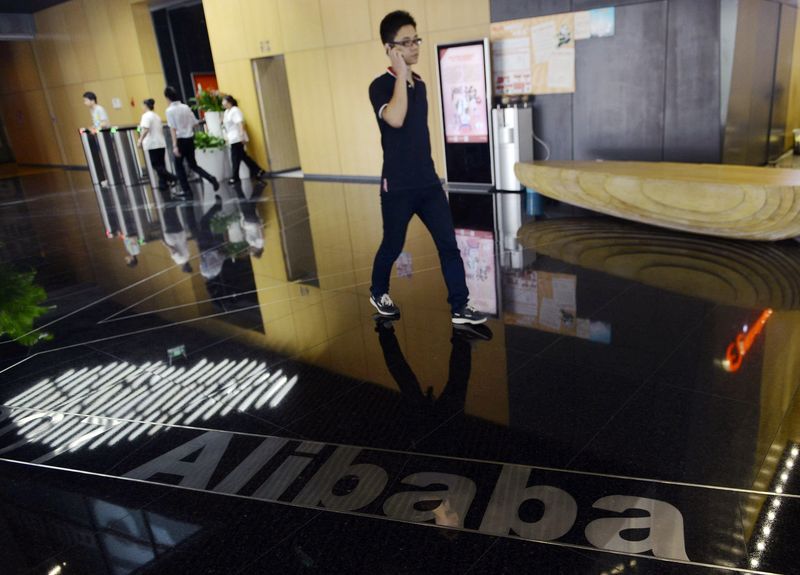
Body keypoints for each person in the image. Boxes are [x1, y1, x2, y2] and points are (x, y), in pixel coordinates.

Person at [368, 10, 486, 325]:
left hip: (428, 183)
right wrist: (400, 73)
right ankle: (378, 291)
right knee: (392, 245)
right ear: (390, 48)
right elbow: (395, 118)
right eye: (405, 43)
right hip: (397, 186)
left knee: (449, 244)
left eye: (415, 40)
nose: (414, 47)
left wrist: (408, 77)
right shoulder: (379, 86)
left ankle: (460, 306)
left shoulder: (419, 85)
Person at [164, 86, 219, 199]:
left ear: (167, 97)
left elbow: (172, 128)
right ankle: (210, 178)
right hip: (190, 139)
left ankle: (187, 191)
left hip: (180, 140)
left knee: (179, 166)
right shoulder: (185, 107)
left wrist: (174, 145)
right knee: (193, 165)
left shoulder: (169, 110)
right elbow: (195, 122)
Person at [222, 94, 266, 185]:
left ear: (229, 102)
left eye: (224, 101)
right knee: (243, 156)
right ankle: (258, 170)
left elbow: (240, 123)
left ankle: (235, 177)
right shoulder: (227, 112)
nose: (223, 103)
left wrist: (241, 136)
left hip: (237, 137)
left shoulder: (235, 110)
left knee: (235, 157)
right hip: (232, 138)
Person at [137, 98, 178, 195]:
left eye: (142, 105)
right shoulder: (156, 116)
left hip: (153, 144)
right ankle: (163, 185)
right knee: (161, 164)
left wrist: (140, 140)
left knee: (156, 165)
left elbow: (145, 129)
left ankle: (173, 177)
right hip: (160, 143)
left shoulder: (146, 116)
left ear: (146, 106)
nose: (141, 107)